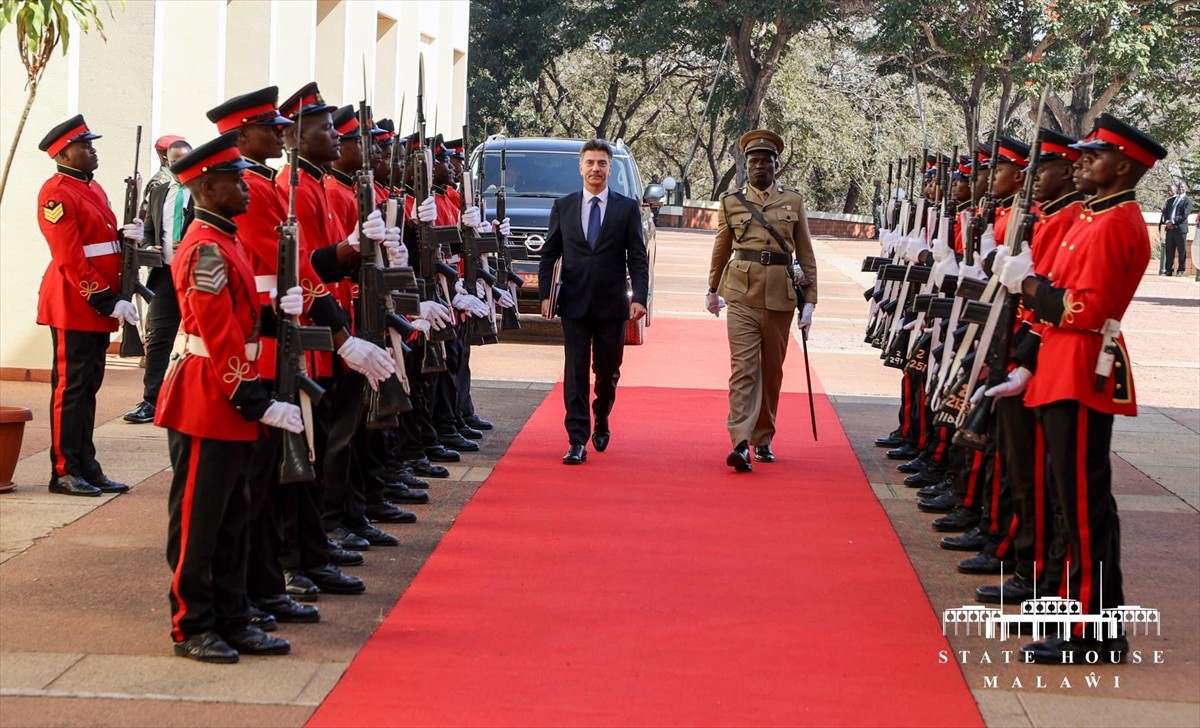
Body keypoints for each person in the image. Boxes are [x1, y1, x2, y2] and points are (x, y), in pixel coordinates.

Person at [993, 113, 1168, 664]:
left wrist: (1027, 282)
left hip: (1083, 369)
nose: (1083, 162)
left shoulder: (1118, 223)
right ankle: (1082, 617)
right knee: (1072, 505)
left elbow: (1083, 308)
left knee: (1084, 508)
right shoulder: (1094, 217)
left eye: (1096, 156)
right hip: (1057, 366)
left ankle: (1094, 631)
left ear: (1125, 167)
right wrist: (1026, 351)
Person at [154, 131, 299, 663]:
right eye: (235, 179)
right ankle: (192, 624)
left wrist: (272, 312)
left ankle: (233, 617)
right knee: (200, 518)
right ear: (208, 186)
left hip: (229, 397)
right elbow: (216, 334)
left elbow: (238, 315)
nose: (245, 186)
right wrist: (254, 399)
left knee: (235, 514)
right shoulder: (206, 247)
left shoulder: (227, 237)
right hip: (209, 395)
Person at [36, 114, 139, 497]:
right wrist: (105, 299)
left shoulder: (90, 188)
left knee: (88, 387)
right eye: (85, 146)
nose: (93, 151)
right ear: (64, 153)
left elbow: (97, 241)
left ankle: (86, 464)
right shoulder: (57, 192)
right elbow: (69, 256)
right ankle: (64, 469)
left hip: (95, 302)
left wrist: (123, 234)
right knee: (71, 390)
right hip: (75, 301)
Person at [706, 129, 817, 472]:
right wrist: (712, 290)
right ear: (745, 165)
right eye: (753, 161)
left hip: (781, 297)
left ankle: (763, 437)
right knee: (743, 369)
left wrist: (810, 300)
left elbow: (806, 253)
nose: (759, 166)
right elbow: (721, 248)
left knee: (771, 372)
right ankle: (739, 442)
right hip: (740, 292)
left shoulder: (793, 201)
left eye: (765, 161)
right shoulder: (731, 201)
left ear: (774, 166)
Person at [538, 138, 649, 465]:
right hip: (573, 303)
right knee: (574, 371)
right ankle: (577, 439)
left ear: (610, 169)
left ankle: (601, 417)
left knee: (607, 371)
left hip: (612, 305)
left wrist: (639, 298)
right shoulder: (564, 207)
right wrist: (546, 294)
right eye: (590, 163)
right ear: (581, 167)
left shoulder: (626, 208)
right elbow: (549, 255)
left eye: (602, 163)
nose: (596, 169)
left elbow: (638, 258)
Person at [123, 138, 193, 424]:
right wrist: (150, 245)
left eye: (187, 159)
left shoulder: (205, 191)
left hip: (196, 276)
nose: (182, 165)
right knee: (158, 339)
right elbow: (150, 230)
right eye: (176, 160)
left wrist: (189, 244)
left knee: (201, 339)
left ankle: (196, 400)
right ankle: (151, 401)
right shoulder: (159, 192)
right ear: (167, 162)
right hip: (164, 275)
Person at [1159, 183, 1192, 276]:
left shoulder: (1188, 201)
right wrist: (1167, 222)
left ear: (1186, 188)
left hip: (1180, 229)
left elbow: (1184, 215)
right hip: (1170, 229)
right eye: (1179, 187)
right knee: (1169, 250)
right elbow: (1165, 212)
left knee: (1181, 251)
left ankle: (1181, 270)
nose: (1180, 188)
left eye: (1182, 187)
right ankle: (1168, 270)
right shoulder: (1171, 200)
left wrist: (1173, 221)